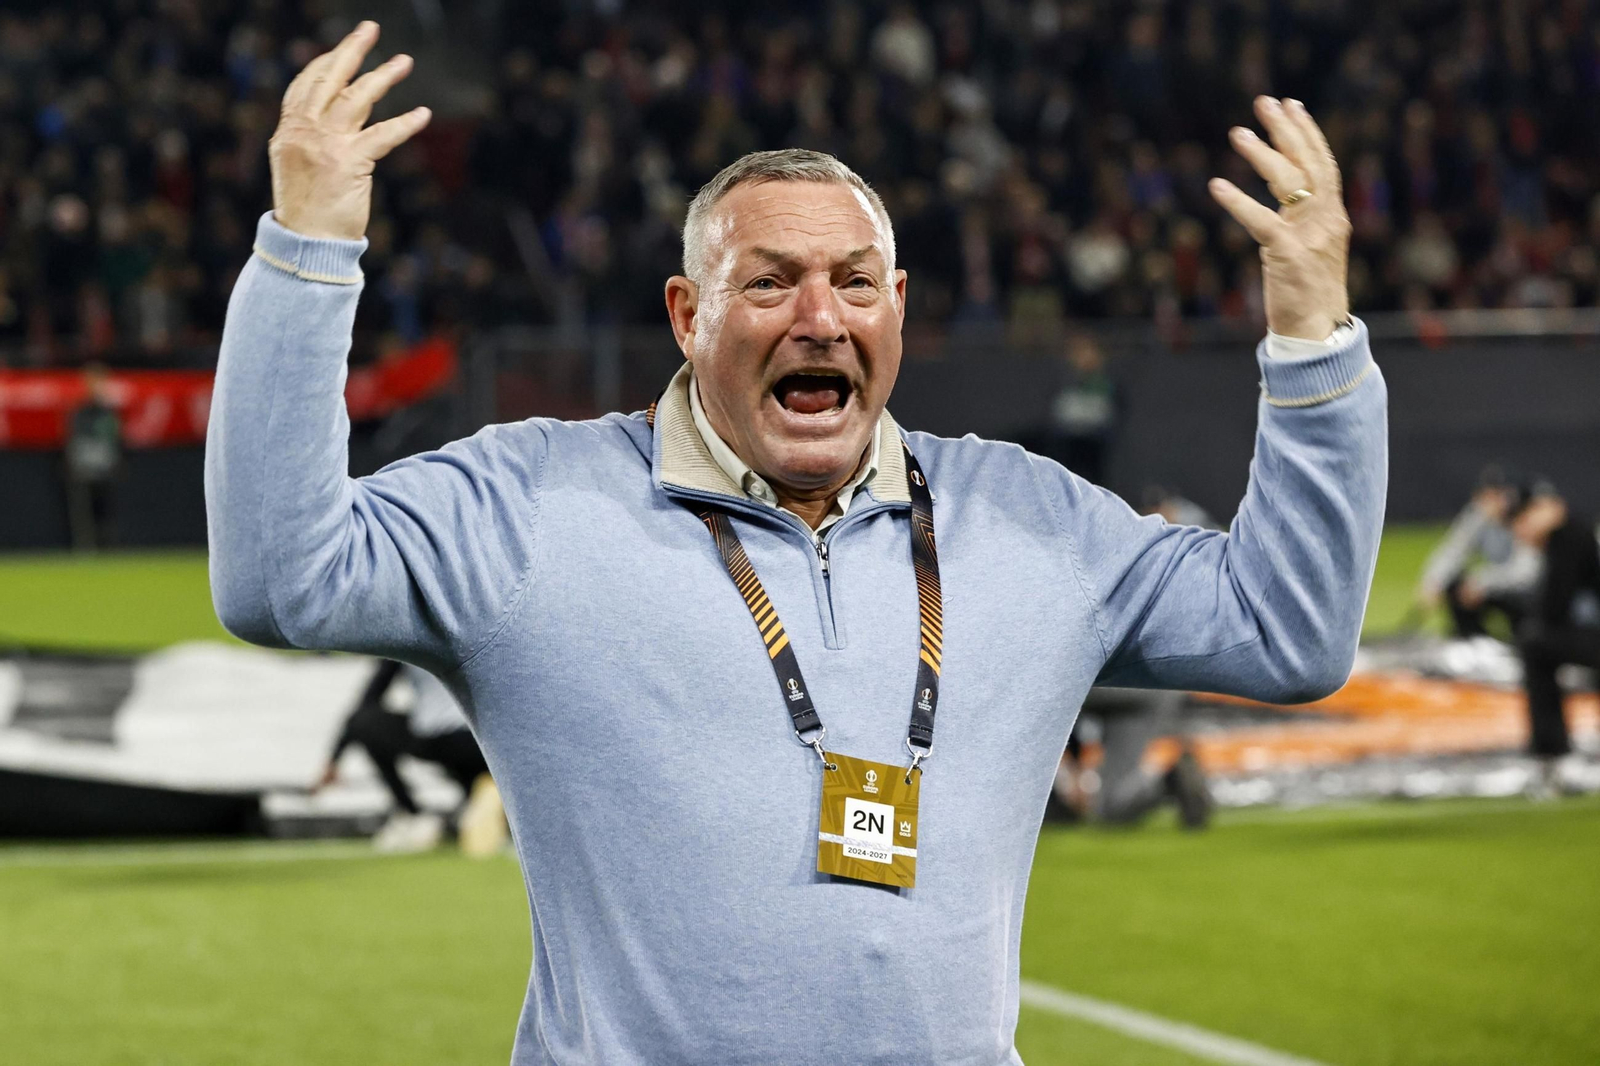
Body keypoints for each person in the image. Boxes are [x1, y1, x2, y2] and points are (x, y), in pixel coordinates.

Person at [206, 23, 1385, 1063]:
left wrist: (1314, 339)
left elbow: (1287, 633)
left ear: (899, 307)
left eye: (854, 283)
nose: (820, 317)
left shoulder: (1029, 518)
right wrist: (307, 256)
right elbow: (281, 579)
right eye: (768, 282)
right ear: (687, 313)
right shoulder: (529, 502)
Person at [316, 658, 499, 853]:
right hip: (482, 742)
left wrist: (335, 758)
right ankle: (477, 805)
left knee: (363, 722)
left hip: (437, 738)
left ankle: (413, 812)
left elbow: (369, 698)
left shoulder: (406, 637)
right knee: (478, 779)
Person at [1507, 487, 1599, 797]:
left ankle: (1551, 755)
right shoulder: (1569, 535)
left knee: (1536, 645)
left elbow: (1552, 609)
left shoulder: (1568, 536)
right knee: (1537, 643)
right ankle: (1552, 757)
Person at [1415, 466, 1541, 639]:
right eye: (1487, 495)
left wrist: (1482, 582)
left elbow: (1528, 572)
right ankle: (1474, 640)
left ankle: (1526, 641)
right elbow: (1455, 549)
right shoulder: (1479, 515)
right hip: (1499, 584)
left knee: (1530, 627)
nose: (1490, 502)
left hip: (1532, 593)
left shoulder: (1528, 518)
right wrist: (1433, 581)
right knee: (1456, 586)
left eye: (1497, 495)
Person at [64, 363, 123, 551]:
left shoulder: (109, 412)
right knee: (85, 511)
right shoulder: (79, 412)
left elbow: (116, 440)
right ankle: (86, 546)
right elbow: (75, 440)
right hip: (85, 469)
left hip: (106, 468)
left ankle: (109, 546)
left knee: (107, 510)